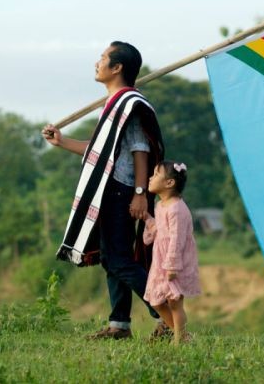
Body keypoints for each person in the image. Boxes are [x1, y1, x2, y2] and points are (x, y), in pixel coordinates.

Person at [41, 41, 171, 340]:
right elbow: (98, 152)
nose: (97, 63)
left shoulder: (129, 104)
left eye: (102, 58)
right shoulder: (113, 106)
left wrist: (140, 192)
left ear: (117, 68)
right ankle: (119, 325)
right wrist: (62, 141)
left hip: (120, 190)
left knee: (119, 260)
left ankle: (165, 315)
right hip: (108, 189)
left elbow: (140, 150)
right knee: (113, 257)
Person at [142, 160, 201, 344]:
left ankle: (179, 341)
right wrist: (147, 219)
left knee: (175, 303)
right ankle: (182, 336)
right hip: (160, 262)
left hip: (175, 263)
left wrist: (172, 266)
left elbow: (177, 240)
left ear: (169, 183)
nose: (150, 178)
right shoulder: (161, 205)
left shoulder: (177, 209)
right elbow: (161, 231)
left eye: (155, 175)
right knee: (156, 301)